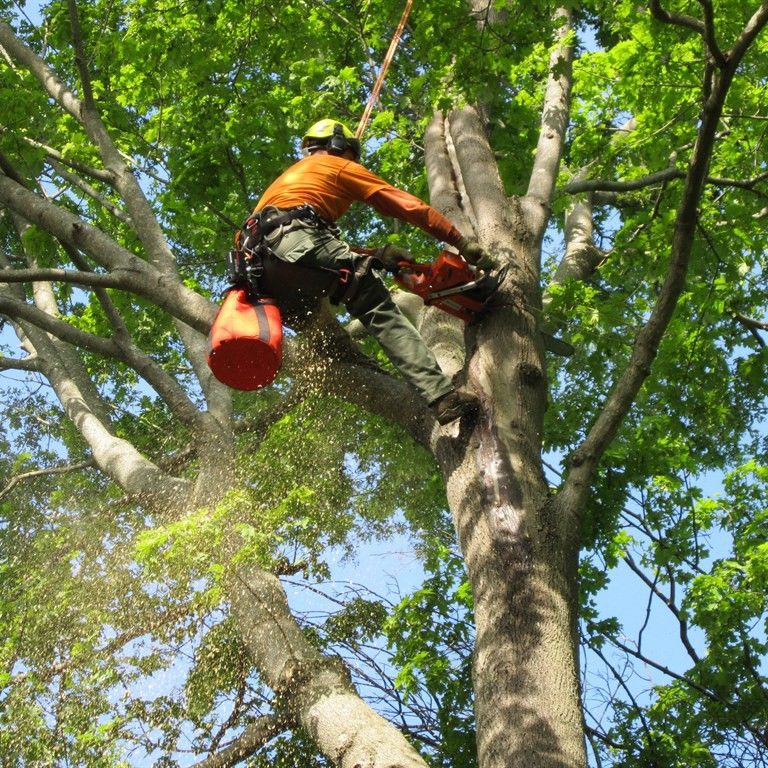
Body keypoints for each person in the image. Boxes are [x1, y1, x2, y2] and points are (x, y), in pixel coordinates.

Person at [246, 118, 494, 425]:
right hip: (296, 244)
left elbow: (312, 250)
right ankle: (442, 397)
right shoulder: (337, 166)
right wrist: (459, 240)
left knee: (339, 308)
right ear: (338, 146)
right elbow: (405, 205)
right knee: (373, 301)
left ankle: (354, 366)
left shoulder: (288, 184)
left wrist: (378, 256)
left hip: (262, 275)